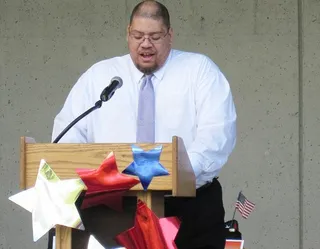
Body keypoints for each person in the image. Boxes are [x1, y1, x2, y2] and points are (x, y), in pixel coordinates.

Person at [52, 1, 237, 249]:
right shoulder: (99, 76)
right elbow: (67, 138)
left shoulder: (200, 71)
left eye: (155, 36)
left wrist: (170, 176)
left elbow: (217, 136)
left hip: (187, 208)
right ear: (128, 33)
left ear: (170, 35)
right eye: (138, 36)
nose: (145, 44)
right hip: (112, 211)